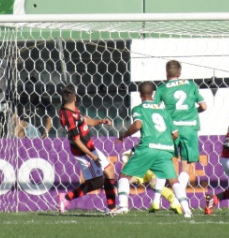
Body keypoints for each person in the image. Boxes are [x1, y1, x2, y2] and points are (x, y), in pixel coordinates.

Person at [114, 81, 191, 218]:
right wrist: (164, 142)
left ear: (140, 94)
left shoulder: (139, 109)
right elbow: (175, 134)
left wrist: (124, 135)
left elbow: (137, 125)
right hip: (165, 149)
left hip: (148, 147)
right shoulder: (164, 110)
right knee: (174, 180)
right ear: (153, 94)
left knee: (124, 176)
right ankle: (187, 210)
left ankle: (123, 206)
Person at [56, 84, 118, 213]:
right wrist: (92, 155)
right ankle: (66, 198)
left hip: (90, 147)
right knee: (97, 182)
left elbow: (84, 120)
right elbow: (77, 140)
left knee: (109, 170)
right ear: (75, 98)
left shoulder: (72, 109)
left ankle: (112, 208)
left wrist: (100, 121)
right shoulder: (67, 116)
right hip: (84, 152)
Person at [154, 60, 207, 195]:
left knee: (170, 161)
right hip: (189, 128)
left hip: (172, 129)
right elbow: (204, 106)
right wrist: (194, 112)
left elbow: (155, 111)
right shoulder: (191, 85)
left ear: (167, 73)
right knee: (186, 162)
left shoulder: (162, 88)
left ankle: (165, 194)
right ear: (180, 72)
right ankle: (180, 195)